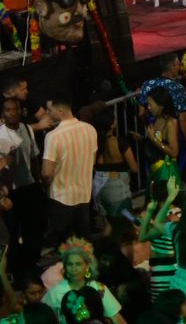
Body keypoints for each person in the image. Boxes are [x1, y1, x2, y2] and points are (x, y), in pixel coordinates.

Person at [41, 95, 97, 246]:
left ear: (60, 110)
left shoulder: (53, 136)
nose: (46, 113)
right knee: (85, 242)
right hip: (84, 194)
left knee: (66, 245)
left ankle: (71, 269)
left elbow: (47, 172)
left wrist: (45, 185)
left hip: (61, 197)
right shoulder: (90, 129)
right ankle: (89, 269)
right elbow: (92, 160)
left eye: (49, 110)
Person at [0, 96, 43, 272]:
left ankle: (30, 265)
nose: (12, 113)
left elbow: (34, 156)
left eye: (15, 109)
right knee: (12, 233)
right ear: (3, 113)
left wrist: (38, 180)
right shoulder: (0, 134)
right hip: (10, 191)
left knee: (32, 229)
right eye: (8, 110)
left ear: (20, 111)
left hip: (29, 187)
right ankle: (16, 270)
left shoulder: (27, 129)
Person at [42, 239, 124, 324]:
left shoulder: (98, 288)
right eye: (70, 264)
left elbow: (117, 319)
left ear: (87, 266)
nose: (74, 269)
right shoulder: (55, 292)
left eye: (78, 264)